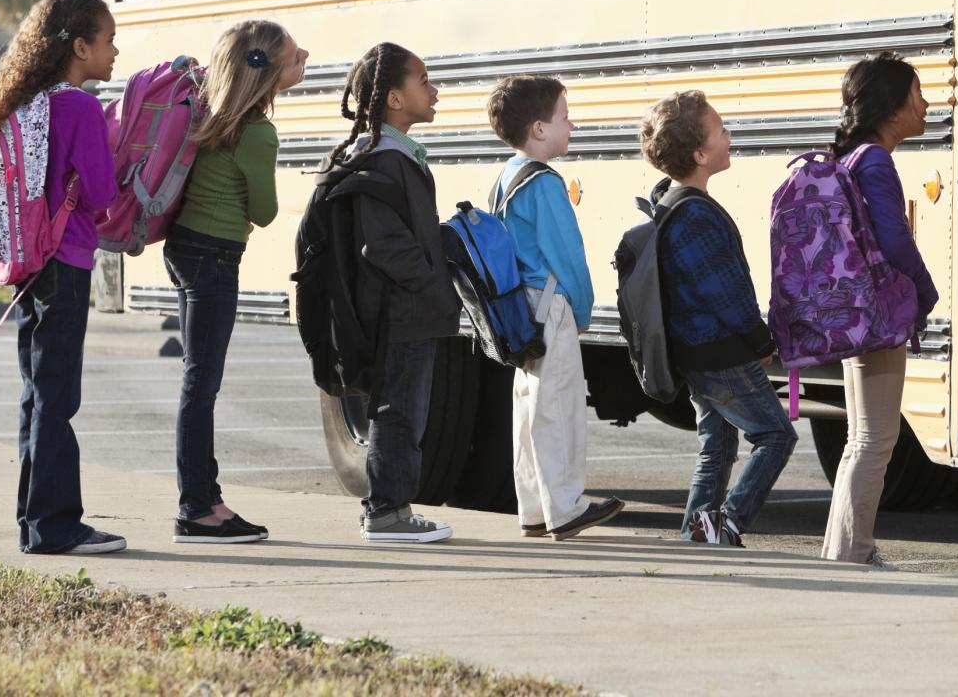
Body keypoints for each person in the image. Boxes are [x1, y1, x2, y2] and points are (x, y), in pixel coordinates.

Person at [0, 0, 123, 554]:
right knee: (58, 396)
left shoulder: (25, 104)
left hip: (28, 265)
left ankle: (34, 520)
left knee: (36, 394)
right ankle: (56, 525)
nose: (115, 50)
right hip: (67, 260)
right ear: (79, 47)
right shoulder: (79, 108)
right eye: (107, 41)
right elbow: (102, 194)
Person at [165, 20, 308, 544]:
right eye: (296, 58)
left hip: (183, 248)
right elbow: (266, 212)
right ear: (267, 74)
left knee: (196, 381)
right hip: (215, 258)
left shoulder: (213, 114)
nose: (306, 57)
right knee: (200, 386)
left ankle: (209, 498)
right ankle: (196, 509)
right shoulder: (257, 132)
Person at [640, 90, 796, 547]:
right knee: (775, 435)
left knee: (718, 443)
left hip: (695, 350)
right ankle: (726, 523)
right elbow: (723, 292)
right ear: (700, 153)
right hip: (720, 350)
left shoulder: (670, 201)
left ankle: (697, 530)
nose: (730, 136)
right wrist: (760, 340)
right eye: (722, 130)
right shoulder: (696, 216)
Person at [327, 42, 462, 543]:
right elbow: (384, 245)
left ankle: (393, 508)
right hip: (402, 311)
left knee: (404, 408)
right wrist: (433, 286)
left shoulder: (391, 156)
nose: (434, 91)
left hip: (405, 307)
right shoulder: (385, 161)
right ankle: (387, 512)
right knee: (400, 409)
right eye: (423, 81)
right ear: (393, 99)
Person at [486, 75, 625, 540]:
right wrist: (583, 309)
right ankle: (566, 507)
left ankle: (535, 508)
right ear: (539, 129)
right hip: (551, 304)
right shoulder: (546, 183)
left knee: (528, 408)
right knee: (560, 405)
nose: (572, 125)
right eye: (565, 118)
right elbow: (567, 255)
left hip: (521, 306)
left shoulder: (507, 175)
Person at [821, 53, 939, 567]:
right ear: (892, 106)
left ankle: (842, 547)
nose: (927, 102)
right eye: (918, 93)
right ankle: (856, 550)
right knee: (875, 438)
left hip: (856, 310)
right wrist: (924, 290)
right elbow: (893, 237)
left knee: (859, 437)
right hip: (879, 314)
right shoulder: (874, 161)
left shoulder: (852, 157)